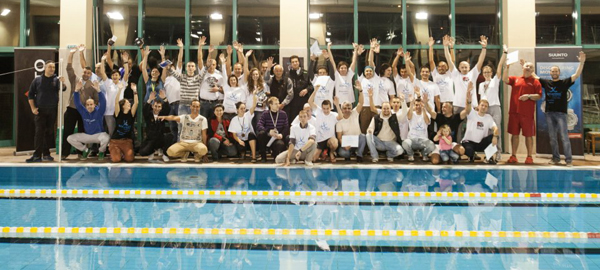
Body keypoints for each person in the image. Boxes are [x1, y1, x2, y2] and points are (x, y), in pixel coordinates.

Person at [539, 51, 586, 166]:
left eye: (556, 71)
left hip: (561, 114)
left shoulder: (564, 82)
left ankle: (568, 160)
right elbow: (534, 76)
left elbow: (576, 75)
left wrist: (582, 63)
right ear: (550, 73)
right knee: (552, 138)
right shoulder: (546, 83)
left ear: (559, 73)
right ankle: (556, 158)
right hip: (549, 113)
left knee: (564, 137)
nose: (554, 72)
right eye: (552, 71)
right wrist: (525, 65)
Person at [502, 56, 542, 164]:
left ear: (533, 70)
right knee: (514, 135)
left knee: (528, 136)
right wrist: (507, 67)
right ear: (522, 68)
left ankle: (529, 157)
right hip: (514, 113)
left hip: (527, 114)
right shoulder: (516, 79)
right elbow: (504, 79)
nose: (528, 67)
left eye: (530, 66)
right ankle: (513, 155)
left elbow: (539, 96)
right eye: (526, 66)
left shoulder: (535, 82)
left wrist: (528, 96)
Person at [26, 60, 67, 162]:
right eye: (50, 67)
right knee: (39, 132)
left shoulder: (56, 80)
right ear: (45, 67)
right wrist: (33, 108)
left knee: (48, 133)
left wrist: (63, 83)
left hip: (52, 109)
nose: (52, 69)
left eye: (53, 67)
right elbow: (30, 95)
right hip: (40, 110)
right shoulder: (37, 80)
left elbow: (63, 89)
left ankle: (46, 154)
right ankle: (37, 155)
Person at [63, 49, 99, 159]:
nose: (86, 74)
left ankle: (81, 153)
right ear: (82, 72)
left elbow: (96, 100)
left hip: (84, 112)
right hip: (72, 109)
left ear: (90, 74)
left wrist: (91, 110)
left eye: (88, 73)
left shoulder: (93, 85)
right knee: (68, 132)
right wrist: (71, 54)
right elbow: (69, 68)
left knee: (82, 133)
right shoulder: (75, 79)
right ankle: (64, 153)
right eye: (85, 72)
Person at [66, 81, 110, 160]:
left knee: (106, 137)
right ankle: (85, 150)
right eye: (88, 105)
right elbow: (77, 103)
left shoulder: (99, 112)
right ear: (85, 106)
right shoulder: (83, 111)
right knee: (69, 138)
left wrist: (99, 91)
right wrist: (76, 91)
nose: (89, 106)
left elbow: (103, 103)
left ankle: (101, 151)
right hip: (87, 136)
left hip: (98, 135)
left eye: (91, 104)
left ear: (94, 105)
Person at [443, 35, 487, 113]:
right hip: (458, 105)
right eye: (462, 67)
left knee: (472, 125)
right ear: (459, 68)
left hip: (472, 105)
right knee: (458, 125)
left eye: (466, 67)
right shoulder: (456, 74)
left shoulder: (473, 73)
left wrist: (484, 48)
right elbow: (449, 60)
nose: (464, 69)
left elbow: (480, 61)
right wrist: (446, 47)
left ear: (469, 68)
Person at [478, 45, 508, 159]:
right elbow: (481, 97)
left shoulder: (495, 81)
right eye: (484, 72)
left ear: (491, 72)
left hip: (495, 107)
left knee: (496, 130)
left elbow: (500, 65)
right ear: (482, 73)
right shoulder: (481, 85)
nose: (486, 73)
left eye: (488, 72)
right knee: (487, 132)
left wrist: (504, 53)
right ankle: (489, 153)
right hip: (485, 109)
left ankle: (498, 152)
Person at [460, 87, 499, 164]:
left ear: (487, 108)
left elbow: (495, 128)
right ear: (478, 106)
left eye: (486, 106)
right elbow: (467, 108)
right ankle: (472, 155)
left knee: (494, 137)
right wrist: (468, 100)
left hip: (480, 143)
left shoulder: (488, 117)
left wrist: (495, 136)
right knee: (469, 151)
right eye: (482, 105)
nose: (483, 107)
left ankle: (489, 157)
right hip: (469, 142)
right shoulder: (472, 113)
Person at [169, 37, 206, 116]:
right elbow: (179, 61)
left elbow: (200, 59)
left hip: (194, 106)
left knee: (195, 126)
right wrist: (181, 48)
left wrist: (200, 46)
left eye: (192, 66)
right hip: (183, 106)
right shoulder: (181, 77)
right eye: (188, 66)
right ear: (185, 68)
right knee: (181, 126)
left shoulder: (198, 78)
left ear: (195, 68)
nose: (190, 68)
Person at [366, 94, 408, 162]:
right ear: (381, 109)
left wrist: (403, 101)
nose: (386, 110)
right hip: (379, 143)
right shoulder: (376, 118)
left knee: (400, 150)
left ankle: (389, 155)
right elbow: (370, 128)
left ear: (390, 108)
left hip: (391, 142)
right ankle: (375, 157)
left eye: (387, 108)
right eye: (384, 108)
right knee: (368, 135)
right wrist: (370, 130)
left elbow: (404, 112)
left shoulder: (395, 117)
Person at [98, 51, 130, 137]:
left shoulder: (122, 83)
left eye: (116, 75)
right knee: (112, 131)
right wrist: (102, 61)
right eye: (113, 75)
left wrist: (126, 62)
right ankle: (112, 148)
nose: (114, 76)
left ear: (119, 76)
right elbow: (102, 73)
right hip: (109, 112)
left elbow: (126, 73)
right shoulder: (108, 82)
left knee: (120, 130)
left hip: (120, 111)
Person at [308, 89, 342, 163]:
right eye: (324, 108)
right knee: (313, 159)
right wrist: (315, 91)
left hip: (330, 139)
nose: (326, 110)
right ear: (322, 107)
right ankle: (323, 152)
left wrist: (337, 105)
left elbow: (341, 117)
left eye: (327, 109)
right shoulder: (318, 111)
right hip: (320, 140)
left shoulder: (333, 114)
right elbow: (310, 101)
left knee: (334, 143)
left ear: (330, 108)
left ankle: (331, 152)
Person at [336, 80, 367, 162]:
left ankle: (359, 155)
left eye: (349, 108)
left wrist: (360, 90)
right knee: (343, 153)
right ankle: (349, 153)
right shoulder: (339, 122)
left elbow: (361, 103)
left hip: (357, 141)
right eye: (345, 108)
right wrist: (344, 145)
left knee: (363, 136)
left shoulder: (355, 113)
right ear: (341, 109)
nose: (347, 110)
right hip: (347, 144)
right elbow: (339, 137)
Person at [109, 83, 139, 163]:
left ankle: (122, 153)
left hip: (126, 141)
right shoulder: (118, 113)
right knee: (116, 160)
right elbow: (116, 102)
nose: (129, 103)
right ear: (123, 106)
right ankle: (116, 151)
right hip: (115, 141)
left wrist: (135, 91)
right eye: (127, 103)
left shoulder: (131, 114)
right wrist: (119, 90)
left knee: (129, 159)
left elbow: (136, 103)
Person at [139, 91, 172, 162]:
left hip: (161, 139)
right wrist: (150, 99)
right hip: (151, 139)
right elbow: (144, 110)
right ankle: (152, 151)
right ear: (152, 106)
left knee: (170, 136)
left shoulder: (163, 114)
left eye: (159, 107)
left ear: (161, 108)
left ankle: (164, 153)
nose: (157, 108)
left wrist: (165, 98)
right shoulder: (148, 115)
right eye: (155, 106)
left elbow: (168, 109)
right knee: (142, 152)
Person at [402, 94, 436, 162]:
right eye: (416, 105)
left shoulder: (427, 114)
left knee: (432, 146)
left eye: (420, 105)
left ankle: (424, 154)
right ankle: (410, 155)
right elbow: (409, 117)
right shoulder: (412, 113)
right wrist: (411, 104)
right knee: (405, 143)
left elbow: (427, 121)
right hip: (412, 139)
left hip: (423, 140)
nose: (418, 107)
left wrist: (423, 109)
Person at [257, 97, 289, 162]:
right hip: (268, 137)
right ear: (270, 105)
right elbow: (259, 125)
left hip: (277, 137)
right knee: (261, 134)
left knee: (280, 144)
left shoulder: (283, 114)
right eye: (276, 104)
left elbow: (286, 127)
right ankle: (263, 156)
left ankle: (275, 155)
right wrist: (268, 131)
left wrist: (281, 135)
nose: (278, 105)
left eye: (278, 103)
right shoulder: (265, 114)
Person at [163, 38, 183, 140]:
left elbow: (179, 61)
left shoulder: (178, 74)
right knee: (172, 126)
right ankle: (175, 145)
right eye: (168, 67)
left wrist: (181, 48)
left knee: (181, 126)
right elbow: (163, 67)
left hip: (180, 104)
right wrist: (163, 56)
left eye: (171, 67)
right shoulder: (166, 79)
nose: (170, 68)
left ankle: (181, 145)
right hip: (171, 105)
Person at [198, 43, 225, 119]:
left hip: (215, 103)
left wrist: (218, 89)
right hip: (204, 103)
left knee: (214, 124)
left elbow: (224, 90)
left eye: (213, 64)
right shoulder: (203, 73)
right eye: (210, 64)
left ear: (216, 65)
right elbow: (199, 60)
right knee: (203, 124)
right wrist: (200, 47)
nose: (211, 66)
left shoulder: (219, 75)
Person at [428, 36, 456, 108]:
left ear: (447, 67)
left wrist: (451, 47)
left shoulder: (450, 74)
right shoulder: (435, 74)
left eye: (443, 66)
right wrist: (431, 47)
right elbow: (431, 61)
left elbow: (452, 61)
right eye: (439, 66)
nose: (441, 68)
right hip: (437, 101)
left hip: (450, 101)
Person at [229, 96, 258, 163]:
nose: (243, 110)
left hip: (249, 140)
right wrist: (239, 141)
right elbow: (234, 135)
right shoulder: (234, 119)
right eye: (241, 108)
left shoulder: (248, 115)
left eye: (244, 108)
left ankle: (253, 156)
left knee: (251, 134)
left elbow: (253, 106)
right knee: (240, 145)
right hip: (240, 141)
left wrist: (254, 97)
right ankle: (242, 153)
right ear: (237, 109)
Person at [287, 55, 314, 122]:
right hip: (293, 103)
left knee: (305, 119)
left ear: (299, 62)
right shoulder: (288, 74)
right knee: (294, 121)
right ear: (290, 64)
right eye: (293, 62)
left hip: (304, 101)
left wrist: (306, 90)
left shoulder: (306, 73)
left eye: (296, 61)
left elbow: (312, 86)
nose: (295, 63)